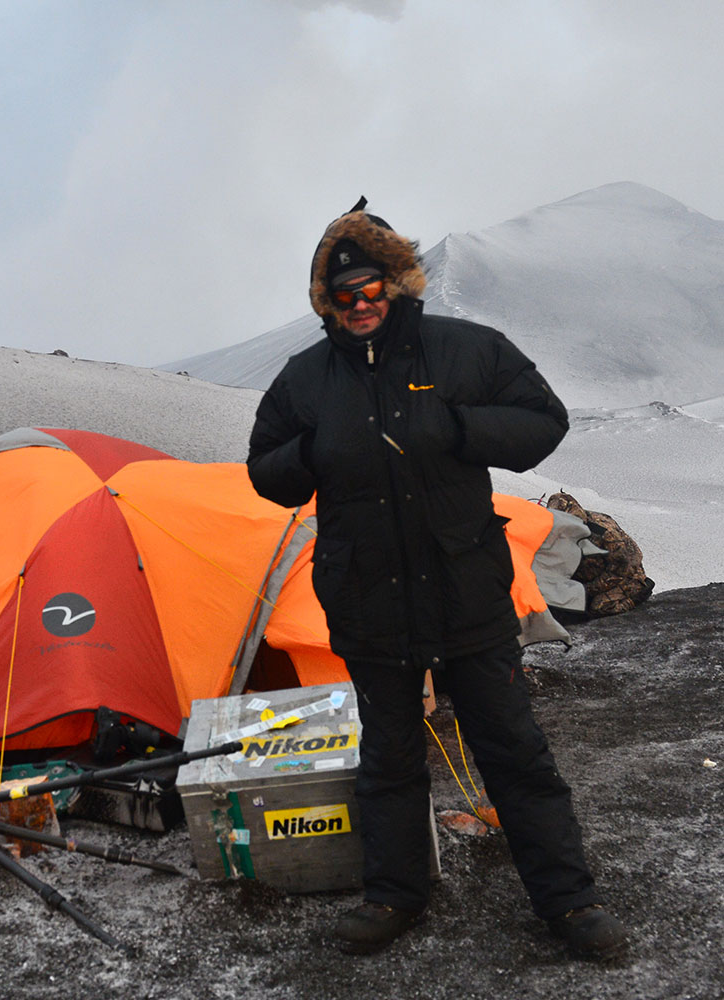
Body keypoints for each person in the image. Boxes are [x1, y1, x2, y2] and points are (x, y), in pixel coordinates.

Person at [246, 198, 628, 961]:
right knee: (388, 758)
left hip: (466, 590)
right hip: (367, 599)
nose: (360, 306)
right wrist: (312, 452)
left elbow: (542, 420)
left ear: (398, 285)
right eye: (343, 295)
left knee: (513, 751)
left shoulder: (464, 350)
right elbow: (266, 473)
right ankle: (395, 895)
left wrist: (459, 428)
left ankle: (569, 901)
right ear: (327, 301)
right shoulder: (306, 379)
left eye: (373, 290)